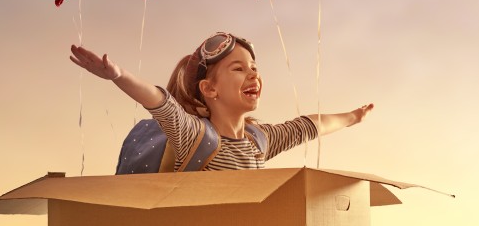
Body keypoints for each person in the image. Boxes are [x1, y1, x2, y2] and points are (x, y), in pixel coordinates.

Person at [69, 31, 373, 171]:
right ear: (210, 89)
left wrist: (353, 117)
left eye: (254, 68)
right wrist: (118, 75)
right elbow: (160, 103)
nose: (253, 74)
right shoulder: (195, 137)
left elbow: (309, 126)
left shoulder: (259, 140)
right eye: (239, 69)